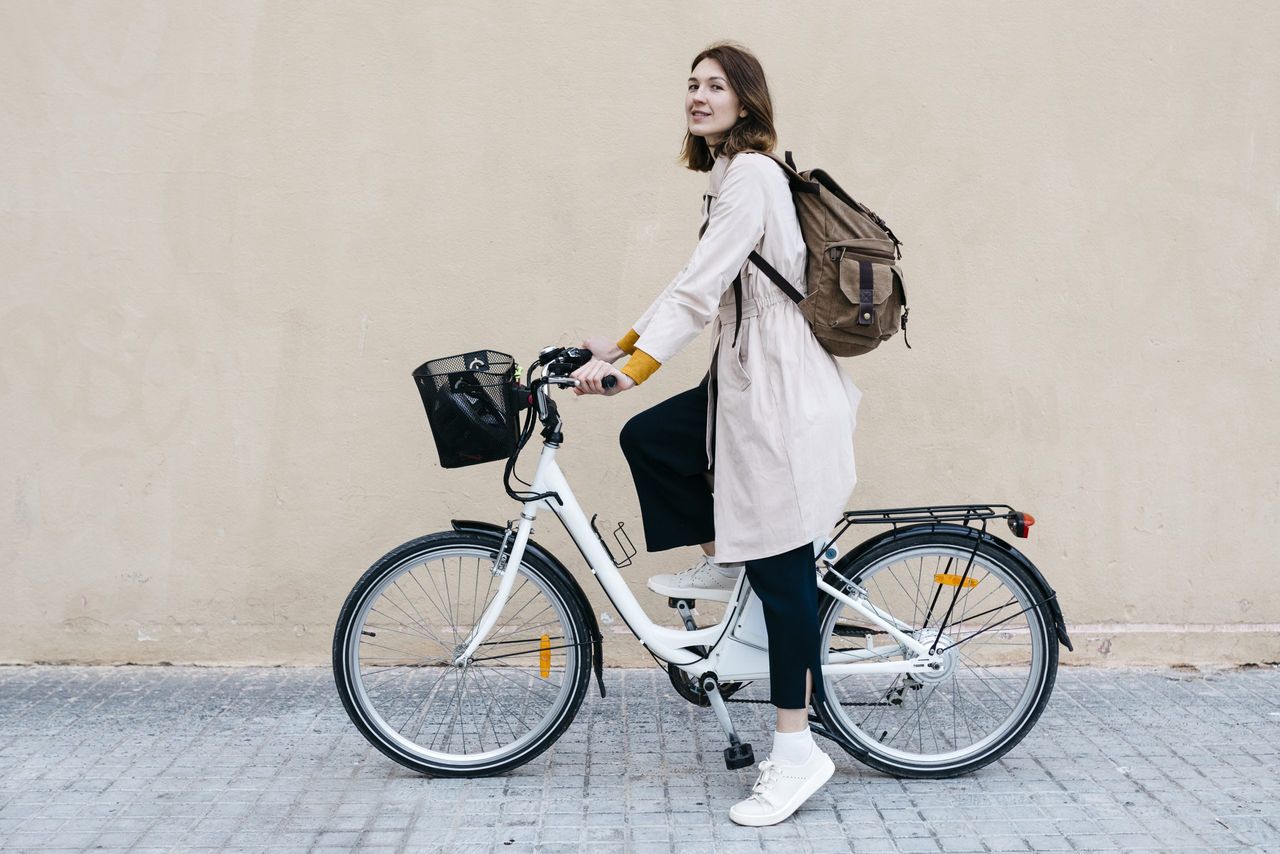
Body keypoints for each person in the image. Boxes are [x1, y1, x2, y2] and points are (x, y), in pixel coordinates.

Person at [569, 41, 861, 827]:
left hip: (777, 391)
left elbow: (699, 293)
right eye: (691, 85)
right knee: (655, 441)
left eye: (715, 86)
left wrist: (633, 369)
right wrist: (621, 342)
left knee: (785, 570)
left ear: (746, 100)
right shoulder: (729, 178)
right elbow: (692, 280)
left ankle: (796, 753)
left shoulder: (755, 176)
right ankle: (730, 566)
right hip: (742, 378)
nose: (698, 96)